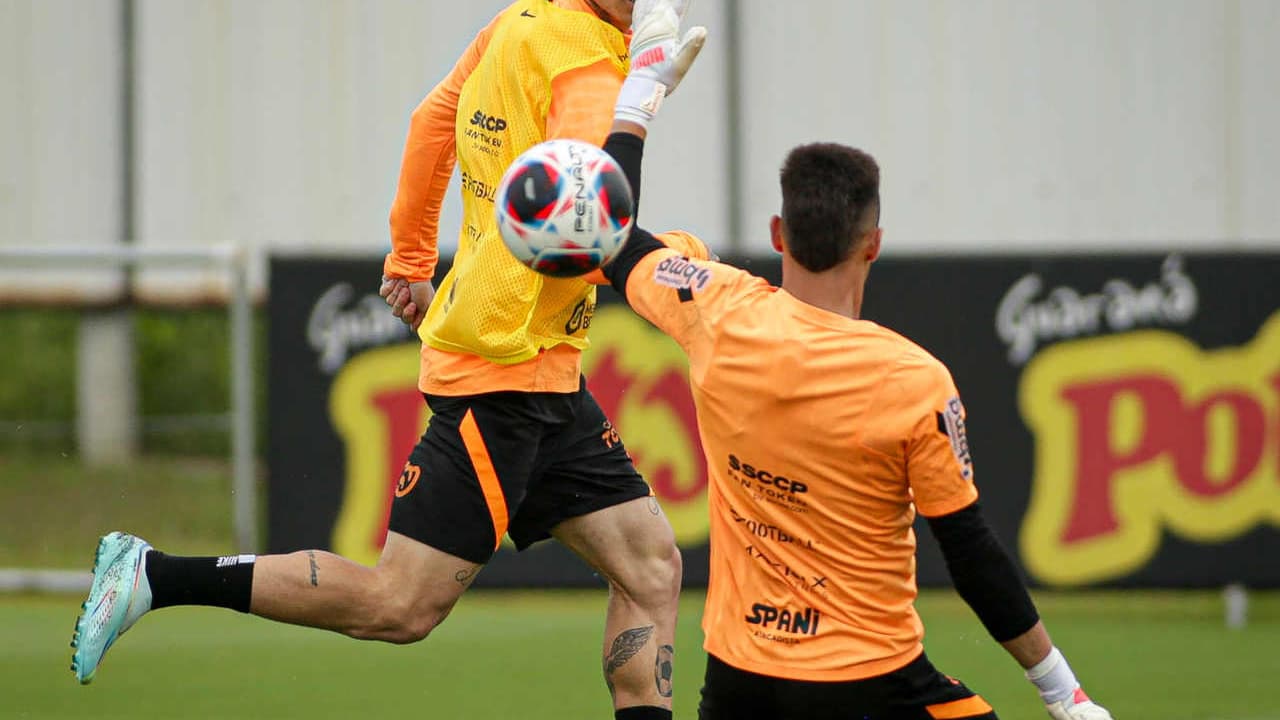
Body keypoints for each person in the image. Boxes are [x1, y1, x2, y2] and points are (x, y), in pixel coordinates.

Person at [71, 3, 705, 719]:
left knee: (651, 566)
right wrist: (688, 253)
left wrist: (409, 258)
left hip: (543, 370)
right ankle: (153, 573)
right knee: (398, 604)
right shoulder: (589, 63)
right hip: (503, 377)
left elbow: (433, 121)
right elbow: (584, 240)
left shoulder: (519, 23)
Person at [586, 42, 1117, 720]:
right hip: (871, 683)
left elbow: (610, 229)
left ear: (778, 233)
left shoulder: (713, 309)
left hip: (738, 685)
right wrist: (1064, 696)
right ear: (873, 242)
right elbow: (972, 556)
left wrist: (642, 91)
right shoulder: (912, 380)